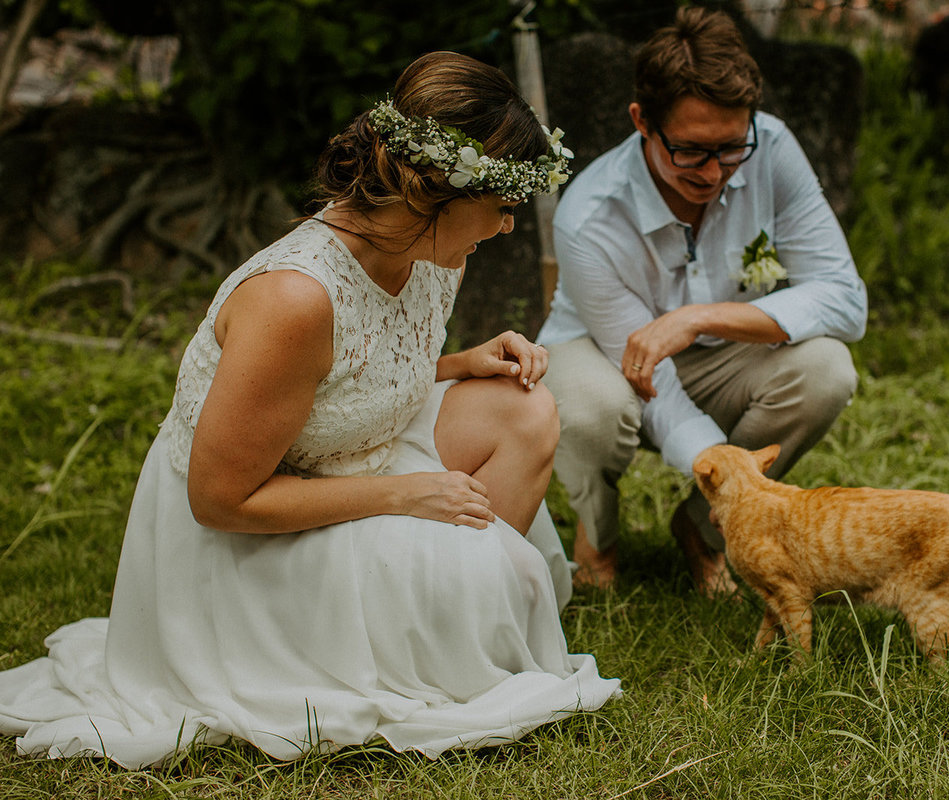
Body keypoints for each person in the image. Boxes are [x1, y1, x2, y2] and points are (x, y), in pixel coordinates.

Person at [0, 51, 620, 768]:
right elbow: (220, 500)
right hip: (247, 536)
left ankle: (444, 609)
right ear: (438, 189)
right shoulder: (295, 299)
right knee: (498, 572)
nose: (510, 226)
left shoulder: (430, 243)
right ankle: (455, 605)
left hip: (354, 454)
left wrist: (456, 363)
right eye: (504, 204)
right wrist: (406, 498)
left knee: (526, 409)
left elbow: (352, 375)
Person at [537, 8, 868, 592]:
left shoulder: (773, 147)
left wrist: (698, 318)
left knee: (826, 371)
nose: (714, 172)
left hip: (720, 351)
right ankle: (597, 538)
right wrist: (738, 478)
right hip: (603, 353)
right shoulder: (588, 215)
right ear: (642, 121)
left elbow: (845, 300)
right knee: (591, 411)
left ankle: (703, 528)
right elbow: (649, 376)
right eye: (691, 151)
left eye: (731, 148)